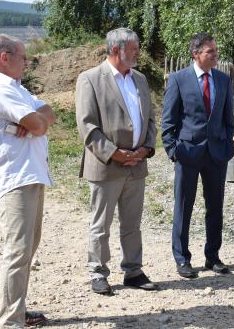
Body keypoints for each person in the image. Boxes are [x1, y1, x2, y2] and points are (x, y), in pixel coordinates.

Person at [0, 34, 56, 328]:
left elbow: (48, 114)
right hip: (13, 178)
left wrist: (34, 122)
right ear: (5, 58)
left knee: (26, 249)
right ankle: (10, 321)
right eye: (23, 57)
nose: (27, 62)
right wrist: (34, 123)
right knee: (18, 250)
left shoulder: (15, 88)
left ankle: (16, 311)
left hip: (29, 174)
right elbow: (38, 123)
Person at [75, 28, 159, 295]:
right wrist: (115, 153)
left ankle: (133, 270)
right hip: (107, 165)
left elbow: (151, 119)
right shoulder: (90, 79)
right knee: (101, 224)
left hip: (136, 165)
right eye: (133, 49)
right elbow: (87, 126)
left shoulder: (140, 80)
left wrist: (145, 148)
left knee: (132, 223)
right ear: (116, 50)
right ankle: (98, 272)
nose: (137, 53)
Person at [161, 32, 234, 278]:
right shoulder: (179, 79)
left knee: (215, 207)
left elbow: (227, 117)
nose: (216, 55)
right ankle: (182, 258)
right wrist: (173, 150)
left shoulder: (224, 80)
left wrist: (228, 145)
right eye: (210, 52)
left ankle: (212, 257)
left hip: (216, 154)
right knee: (184, 206)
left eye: (216, 50)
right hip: (188, 153)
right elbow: (169, 120)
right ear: (196, 54)